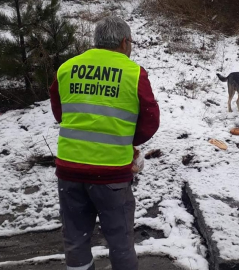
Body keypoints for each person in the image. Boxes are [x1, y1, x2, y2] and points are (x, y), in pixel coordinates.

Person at [49, 16, 160, 270]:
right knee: (120, 242)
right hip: (111, 175)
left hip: (69, 171)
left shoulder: (67, 67)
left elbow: (60, 111)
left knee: (75, 240)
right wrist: (126, 141)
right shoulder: (133, 72)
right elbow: (150, 119)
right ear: (124, 42)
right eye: (130, 42)